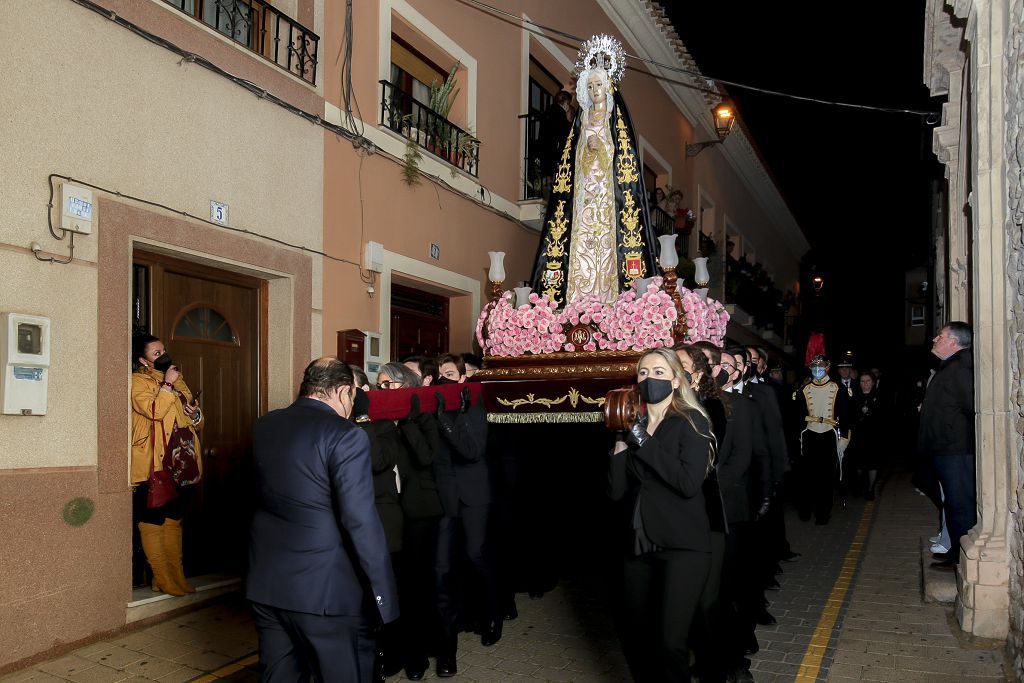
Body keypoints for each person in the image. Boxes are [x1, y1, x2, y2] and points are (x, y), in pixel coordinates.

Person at [247, 358, 398, 682]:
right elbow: (359, 520)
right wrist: (384, 597)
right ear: (344, 391)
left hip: (267, 584)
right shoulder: (346, 435)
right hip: (324, 593)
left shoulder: (265, 425)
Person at [609, 348, 714, 682]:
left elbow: (687, 483)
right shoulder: (630, 422)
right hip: (639, 543)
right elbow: (615, 492)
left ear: (675, 378)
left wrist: (643, 441)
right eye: (643, 373)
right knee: (636, 637)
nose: (649, 378)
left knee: (670, 642)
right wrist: (620, 445)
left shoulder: (691, 421)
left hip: (683, 545)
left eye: (657, 372)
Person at [531, 35, 659, 306]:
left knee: (608, 243)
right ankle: (576, 299)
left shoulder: (616, 120)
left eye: (599, 84)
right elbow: (572, 159)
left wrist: (600, 146)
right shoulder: (581, 120)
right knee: (581, 242)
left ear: (609, 86)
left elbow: (623, 158)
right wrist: (586, 148)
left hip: (608, 194)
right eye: (590, 86)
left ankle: (612, 298)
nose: (595, 90)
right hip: (584, 193)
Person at [374, 362, 446, 681]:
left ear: (407, 386)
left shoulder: (424, 414)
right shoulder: (376, 420)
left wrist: (405, 420)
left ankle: (417, 655)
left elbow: (425, 456)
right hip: (388, 514)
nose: (384, 390)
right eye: (380, 385)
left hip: (419, 512)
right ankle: (393, 653)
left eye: (390, 384)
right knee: (390, 587)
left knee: (417, 587)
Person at [131, 333, 204, 597]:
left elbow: (195, 421)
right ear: (143, 360)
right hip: (154, 462)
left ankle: (176, 575)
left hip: (181, 461)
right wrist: (167, 386)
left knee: (174, 519)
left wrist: (195, 414)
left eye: (164, 350)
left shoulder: (178, 380)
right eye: (156, 353)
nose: (163, 355)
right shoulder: (137, 381)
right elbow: (153, 411)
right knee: (152, 519)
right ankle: (162, 577)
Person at [919, 322, 975, 570]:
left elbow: (972, 407)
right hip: (944, 449)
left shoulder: (962, 366)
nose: (934, 339)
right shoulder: (950, 366)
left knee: (960, 504)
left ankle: (963, 558)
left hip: (956, 451)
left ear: (953, 341)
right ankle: (955, 551)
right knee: (952, 503)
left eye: (939, 336)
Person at [793, 355, 851, 525]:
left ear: (827, 367)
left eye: (821, 366)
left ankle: (823, 513)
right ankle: (805, 509)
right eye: (814, 366)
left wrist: (844, 438)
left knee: (826, 477)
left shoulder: (838, 388)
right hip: (809, 434)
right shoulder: (804, 390)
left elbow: (846, 416)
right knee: (807, 476)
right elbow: (797, 416)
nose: (817, 369)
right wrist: (798, 436)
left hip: (828, 434)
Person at [850, 370, 885, 500]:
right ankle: (859, 486)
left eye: (868, 381)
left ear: (873, 382)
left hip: (874, 436)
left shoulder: (879, 396)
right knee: (859, 464)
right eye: (862, 381)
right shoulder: (855, 396)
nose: (865, 384)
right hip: (858, 436)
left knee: (873, 463)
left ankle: (870, 489)